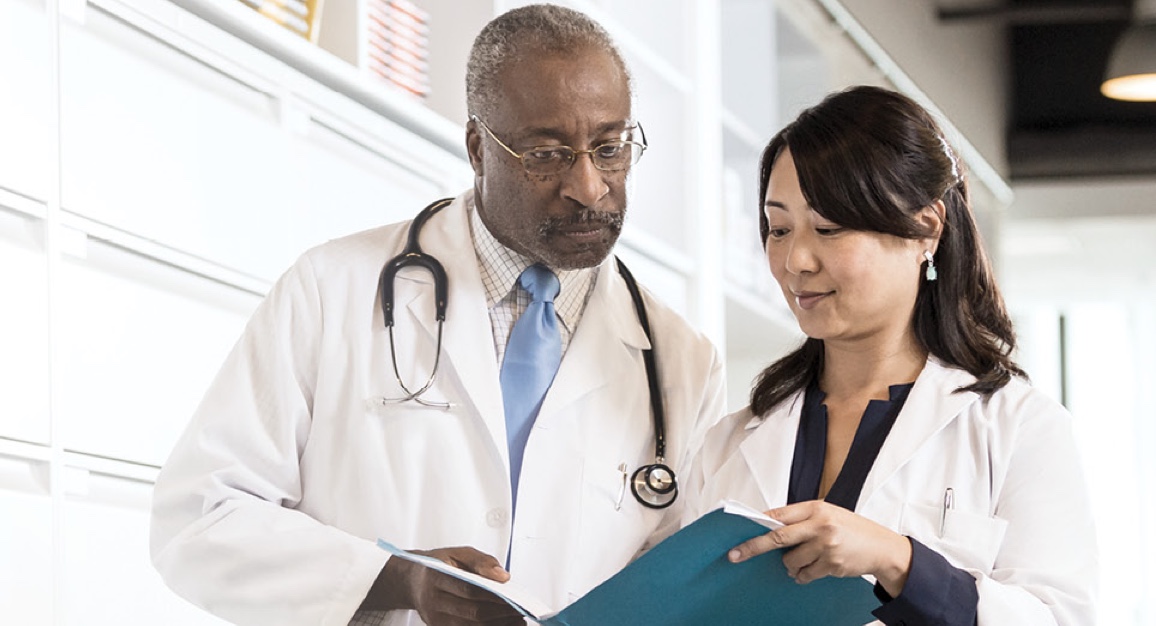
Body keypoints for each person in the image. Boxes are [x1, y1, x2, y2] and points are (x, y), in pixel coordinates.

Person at [149, 5, 725, 626]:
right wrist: (393, 580)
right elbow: (201, 519)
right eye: (548, 155)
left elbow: (685, 590)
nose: (589, 186)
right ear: (478, 147)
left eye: (609, 148)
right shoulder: (331, 290)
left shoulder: (682, 362)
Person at [683, 85, 1097, 625]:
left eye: (828, 229)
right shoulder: (730, 443)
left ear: (925, 227)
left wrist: (897, 560)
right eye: (779, 229)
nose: (795, 261)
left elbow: (1060, 619)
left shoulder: (1017, 429)